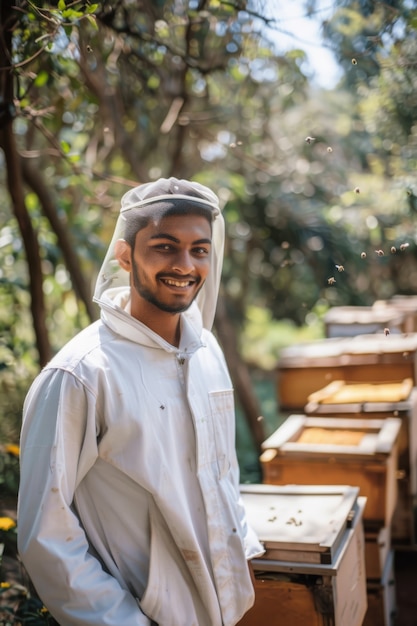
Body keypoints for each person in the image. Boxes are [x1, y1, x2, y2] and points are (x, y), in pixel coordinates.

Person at [17, 177, 264, 626]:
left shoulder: (207, 350)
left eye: (199, 249)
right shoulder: (80, 374)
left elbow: (221, 470)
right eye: (165, 247)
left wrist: (241, 551)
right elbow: (46, 534)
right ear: (125, 254)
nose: (185, 265)